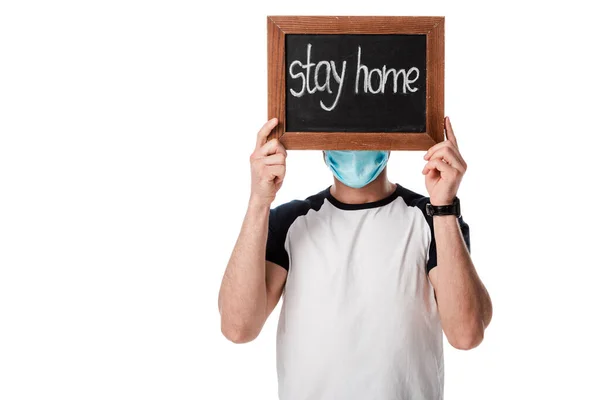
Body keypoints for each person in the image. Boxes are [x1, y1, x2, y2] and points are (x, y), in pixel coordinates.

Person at [218, 116, 493, 400]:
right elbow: (238, 327)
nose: (354, 141)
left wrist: (444, 206)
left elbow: (466, 334)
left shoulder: (432, 218)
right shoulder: (289, 222)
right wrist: (258, 202)